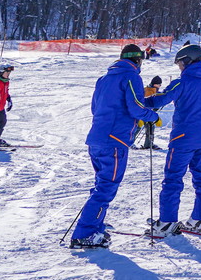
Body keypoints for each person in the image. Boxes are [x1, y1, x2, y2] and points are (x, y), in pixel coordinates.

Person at [70, 44, 159, 249]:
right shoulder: (132, 77)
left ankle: (95, 225)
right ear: (138, 60)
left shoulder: (103, 79)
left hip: (96, 138)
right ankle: (85, 233)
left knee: (101, 184)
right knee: (106, 188)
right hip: (115, 142)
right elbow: (136, 107)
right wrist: (152, 117)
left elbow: (95, 107)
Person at [146, 44, 201, 237]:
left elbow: (160, 99)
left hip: (183, 139)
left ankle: (168, 222)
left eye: (179, 64)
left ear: (187, 61)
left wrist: (141, 103)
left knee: (173, 178)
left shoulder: (181, 82)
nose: (179, 68)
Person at [136, 76, 164, 150]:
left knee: (150, 127)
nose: (159, 86)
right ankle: (130, 142)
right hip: (143, 112)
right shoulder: (148, 90)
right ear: (155, 84)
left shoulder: (155, 91)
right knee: (137, 127)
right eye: (159, 84)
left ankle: (149, 144)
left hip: (150, 113)